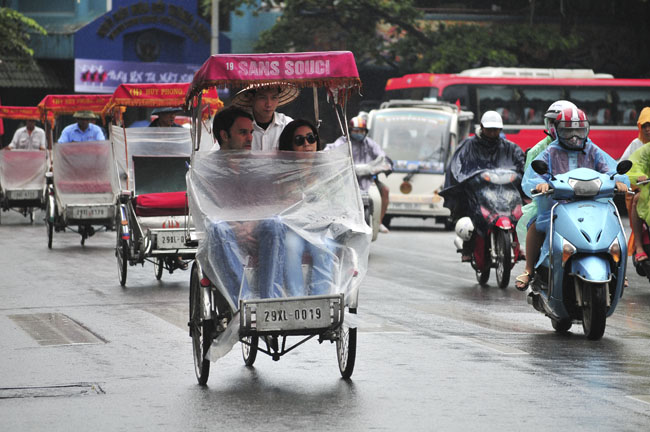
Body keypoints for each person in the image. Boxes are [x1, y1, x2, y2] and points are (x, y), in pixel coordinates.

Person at [515, 107, 629, 290]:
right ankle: (529, 270)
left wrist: (618, 181)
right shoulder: (550, 152)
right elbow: (533, 177)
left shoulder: (592, 150)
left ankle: (618, 269)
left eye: (579, 130)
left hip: (593, 205)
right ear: (557, 130)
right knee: (536, 226)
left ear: (587, 129)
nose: (574, 136)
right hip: (558, 205)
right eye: (568, 131)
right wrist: (540, 184)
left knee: (614, 228)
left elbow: (609, 170)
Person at [205, 107, 285, 299]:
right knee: (218, 228)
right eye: (242, 133)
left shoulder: (257, 165)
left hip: (253, 228)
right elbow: (205, 208)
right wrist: (234, 226)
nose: (250, 138)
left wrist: (251, 225)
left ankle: (269, 301)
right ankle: (244, 303)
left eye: (251, 132)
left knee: (275, 223)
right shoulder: (207, 169)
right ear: (224, 135)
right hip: (224, 232)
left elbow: (267, 203)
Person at [441, 110, 525, 260]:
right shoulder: (468, 145)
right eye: (489, 129)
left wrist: (522, 175)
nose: (492, 133)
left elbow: (522, 165)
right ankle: (468, 247)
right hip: (477, 191)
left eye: (496, 130)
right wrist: (468, 179)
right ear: (481, 127)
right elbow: (456, 166)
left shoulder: (510, 147)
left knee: (524, 212)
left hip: (505, 190)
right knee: (469, 212)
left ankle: (520, 245)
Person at [278, 119, 336, 296]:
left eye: (311, 138)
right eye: (299, 140)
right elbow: (279, 206)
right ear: (290, 146)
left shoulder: (329, 171)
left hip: (322, 228)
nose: (307, 144)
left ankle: (321, 299)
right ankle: (297, 300)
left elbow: (338, 203)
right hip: (293, 230)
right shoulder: (282, 175)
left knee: (325, 246)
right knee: (290, 246)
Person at [326, 115, 392, 233]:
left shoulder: (370, 144)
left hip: (368, 179)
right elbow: (330, 153)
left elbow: (382, 157)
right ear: (350, 130)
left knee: (385, 190)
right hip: (346, 178)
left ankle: (379, 222)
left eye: (361, 130)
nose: (359, 133)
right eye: (356, 130)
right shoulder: (342, 142)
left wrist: (383, 166)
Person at [231, 83, 298, 151]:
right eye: (262, 98)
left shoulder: (287, 125)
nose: (269, 104)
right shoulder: (239, 126)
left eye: (274, 98)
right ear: (251, 98)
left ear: (278, 99)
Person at [621, 107, 650, 266]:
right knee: (638, 199)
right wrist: (637, 176)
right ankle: (639, 246)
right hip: (643, 189)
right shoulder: (636, 144)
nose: (648, 129)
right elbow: (624, 167)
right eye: (644, 125)